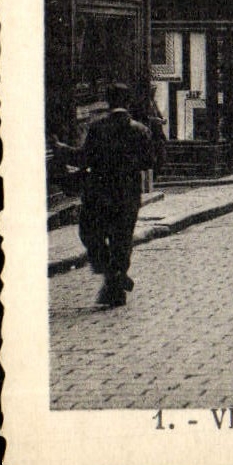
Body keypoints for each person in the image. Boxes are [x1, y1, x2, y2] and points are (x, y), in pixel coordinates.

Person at [76, 83, 154, 308]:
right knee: (122, 239)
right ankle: (117, 279)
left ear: (108, 101)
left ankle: (113, 279)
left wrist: (62, 149)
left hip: (100, 191)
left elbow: (85, 158)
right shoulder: (139, 130)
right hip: (128, 192)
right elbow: (149, 161)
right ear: (127, 101)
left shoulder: (97, 128)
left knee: (91, 233)